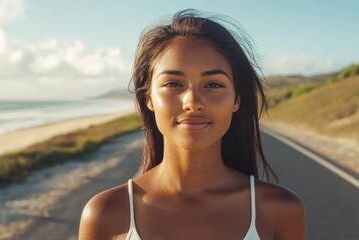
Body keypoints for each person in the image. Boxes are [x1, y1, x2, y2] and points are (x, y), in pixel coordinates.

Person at [79, 9, 305, 240]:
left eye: (214, 85)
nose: (193, 102)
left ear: (236, 99)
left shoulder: (280, 210)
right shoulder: (105, 214)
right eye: (173, 83)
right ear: (148, 98)